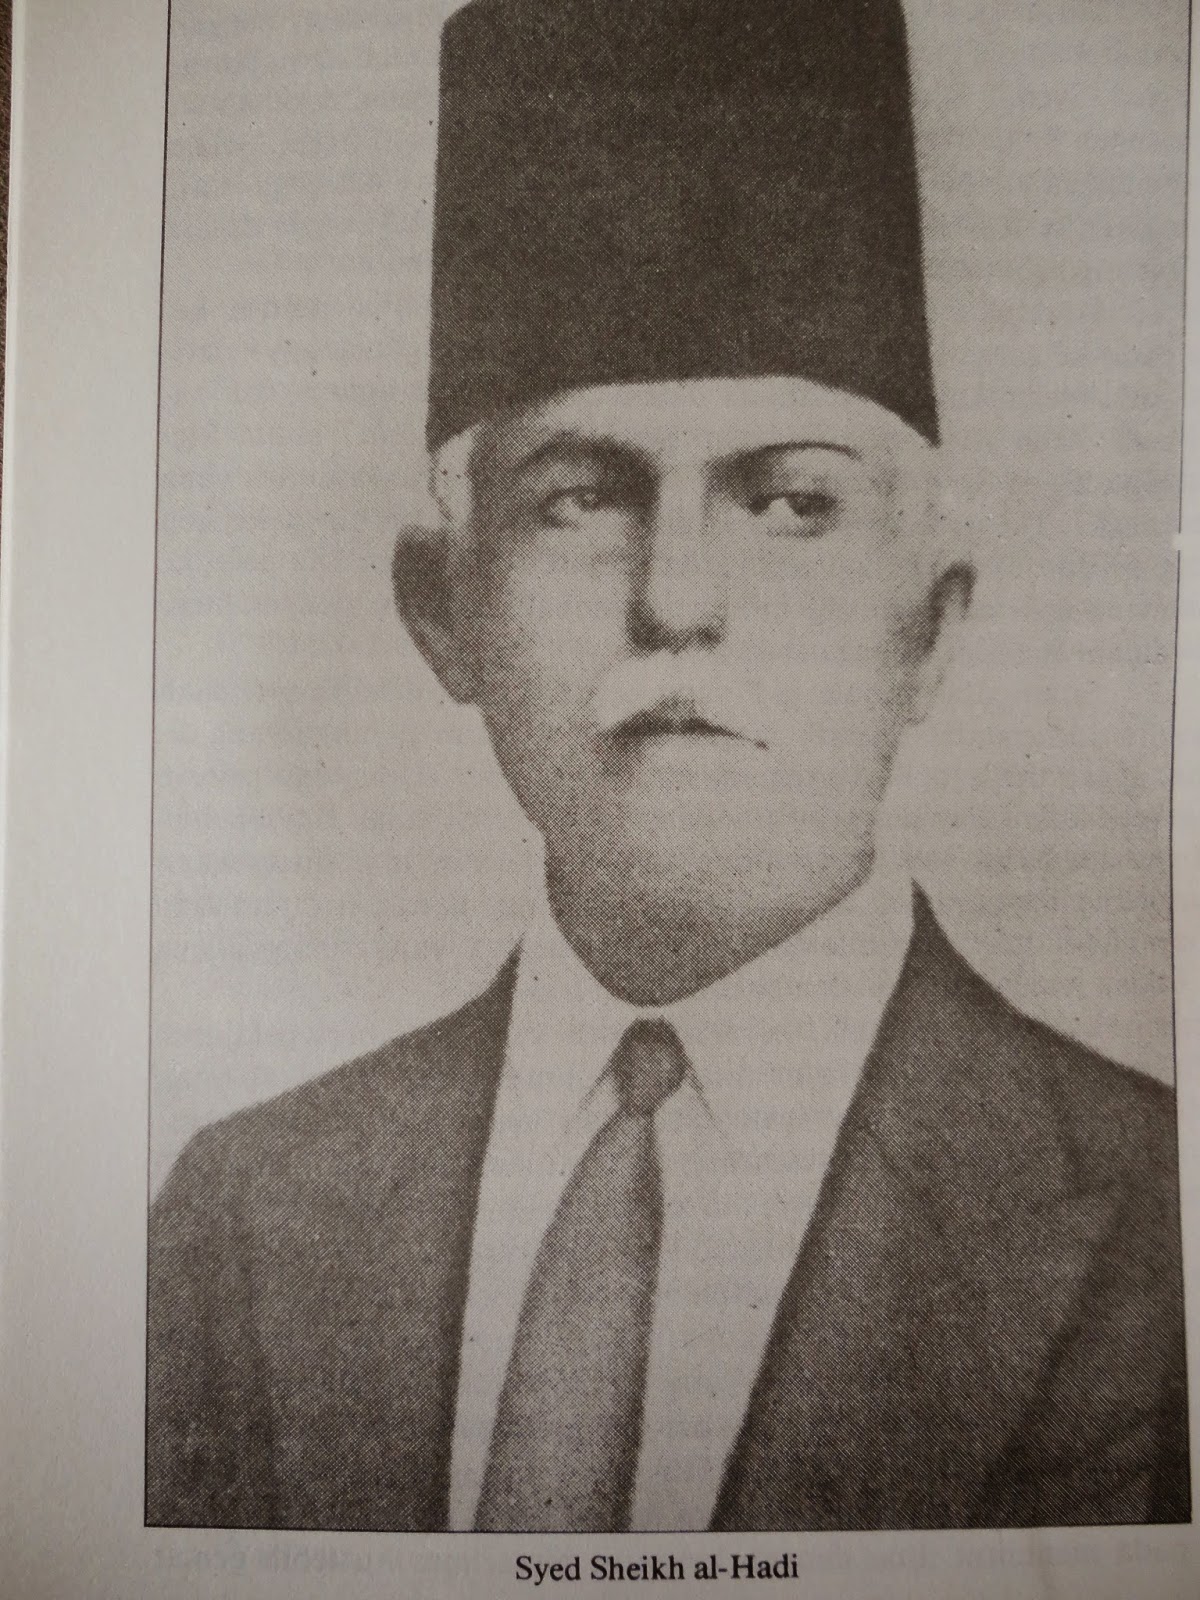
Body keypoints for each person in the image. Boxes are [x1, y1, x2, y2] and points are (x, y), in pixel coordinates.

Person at [146, 0, 1189, 1533]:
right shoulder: (246, 1215)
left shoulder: (1162, 1223)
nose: (679, 600)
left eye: (791, 503)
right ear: (444, 610)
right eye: (582, 498)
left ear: (932, 627)